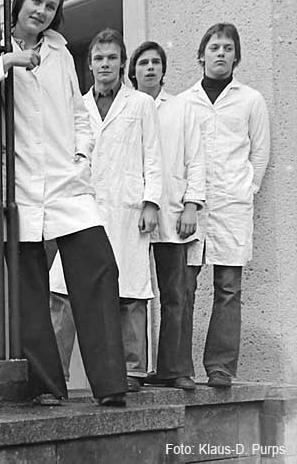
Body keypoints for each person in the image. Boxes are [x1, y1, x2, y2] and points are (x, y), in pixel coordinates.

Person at [0, 0, 128, 407]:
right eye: (36, 1)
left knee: (99, 269)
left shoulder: (60, 53)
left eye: (50, 6)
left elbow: (77, 110)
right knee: (28, 292)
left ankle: (111, 385)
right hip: (20, 187)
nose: (42, 12)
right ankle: (48, 387)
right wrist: (7, 62)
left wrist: (82, 154)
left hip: (66, 182)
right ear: (20, 3)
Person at [50, 29, 163, 393]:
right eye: (99, 58)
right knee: (62, 287)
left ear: (122, 63)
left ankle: (132, 369)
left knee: (130, 289)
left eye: (112, 58)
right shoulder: (78, 106)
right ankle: (54, 373)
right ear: (90, 64)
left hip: (128, 207)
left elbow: (153, 156)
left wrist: (151, 202)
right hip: (84, 206)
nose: (105, 64)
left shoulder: (141, 104)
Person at [178, 23, 270, 387]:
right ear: (201, 55)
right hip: (192, 207)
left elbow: (259, 152)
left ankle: (220, 367)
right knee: (183, 287)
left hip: (232, 206)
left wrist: (247, 189)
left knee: (229, 288)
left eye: (228, 48)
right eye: (214, 47)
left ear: (236, 57)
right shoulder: (184, 102)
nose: (221, 53)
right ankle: (178, 367)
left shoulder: (251, 100)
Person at [128, 41, 205, 391]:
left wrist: (191, 205)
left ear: (163, 70)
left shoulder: (181, 108)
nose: (150, 68)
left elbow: (196, 159)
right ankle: (132, 368)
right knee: (132, 294)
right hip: (133, 215)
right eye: (143, 62)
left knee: (176, 293)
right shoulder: (126, 107)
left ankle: (175, 369)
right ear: (133, 71)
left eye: (155, 62)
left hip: (173, 215)